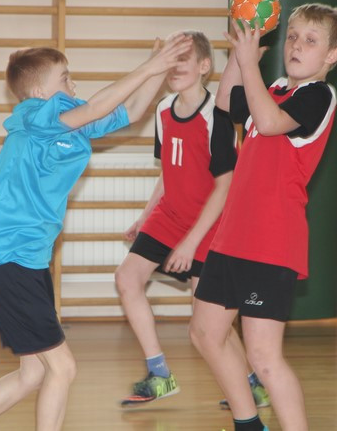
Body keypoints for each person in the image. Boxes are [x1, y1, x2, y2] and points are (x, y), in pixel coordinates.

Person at [0, 34, 193, 431]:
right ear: (40, 93)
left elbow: (130, 111)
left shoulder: (66, 126)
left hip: (25, 263)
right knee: (63, 368)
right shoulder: (33, 115)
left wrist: (158, 71)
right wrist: (150, 67)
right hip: (11, 261)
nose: (72, 84)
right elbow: (96, 106)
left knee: (33, 373)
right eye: (65, 78)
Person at [189, 3, 337, 431]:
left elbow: (269, 121)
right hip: (232, 236)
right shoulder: (274, 87)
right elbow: (227, 102)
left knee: (263, 356)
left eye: (310, 41)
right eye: (292, 36)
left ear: (332, 55)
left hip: (271, 241)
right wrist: (241, 57)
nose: (296, 45)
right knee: (205, 333)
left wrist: (247, 66)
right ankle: (248, 424)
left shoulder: (319, 95)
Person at [114, 30, 270, 408]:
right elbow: (168, 170)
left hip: (212, 224)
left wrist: (189, 242)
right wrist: (145, 216)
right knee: (127, 278)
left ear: (204, 66)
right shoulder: (163, 110)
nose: (175, 66)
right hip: (170, 215)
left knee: (211, 323)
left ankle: (252, 382)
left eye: (184, 58)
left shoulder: (217, 116)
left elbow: (224, 186)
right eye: (172, 58)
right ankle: (159, 374)